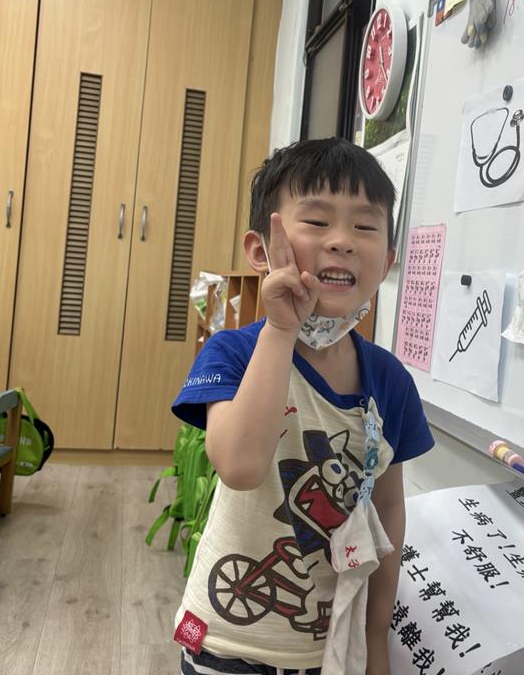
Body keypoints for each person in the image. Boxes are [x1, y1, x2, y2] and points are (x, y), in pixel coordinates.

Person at [171, 138, 435, 675]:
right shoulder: (234, 352)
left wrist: (375, 637)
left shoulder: (390, 381)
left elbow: (388, 510)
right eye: (316, 222)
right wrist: (281, 329)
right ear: (261, 250)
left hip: (330, 646)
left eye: (365, 227)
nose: (342, 241)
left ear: (387, 261)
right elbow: (240, 466)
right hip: (227, 643)